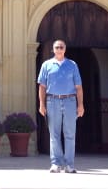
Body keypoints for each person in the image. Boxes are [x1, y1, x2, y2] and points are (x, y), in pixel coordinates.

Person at [37, 39, 85, 173]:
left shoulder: (72, 65)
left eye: (61, 47)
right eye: (56, 47)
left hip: (70, 101)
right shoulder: (46, 65)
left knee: (70, 134)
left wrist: (80, 105)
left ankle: (69, 164)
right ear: (53, 49)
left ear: (65, 49)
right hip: (52, 101)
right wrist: (41, 104)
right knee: (54, 134)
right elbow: (42, 86)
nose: (59, 49)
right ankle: (56, 163)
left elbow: (79, 87)